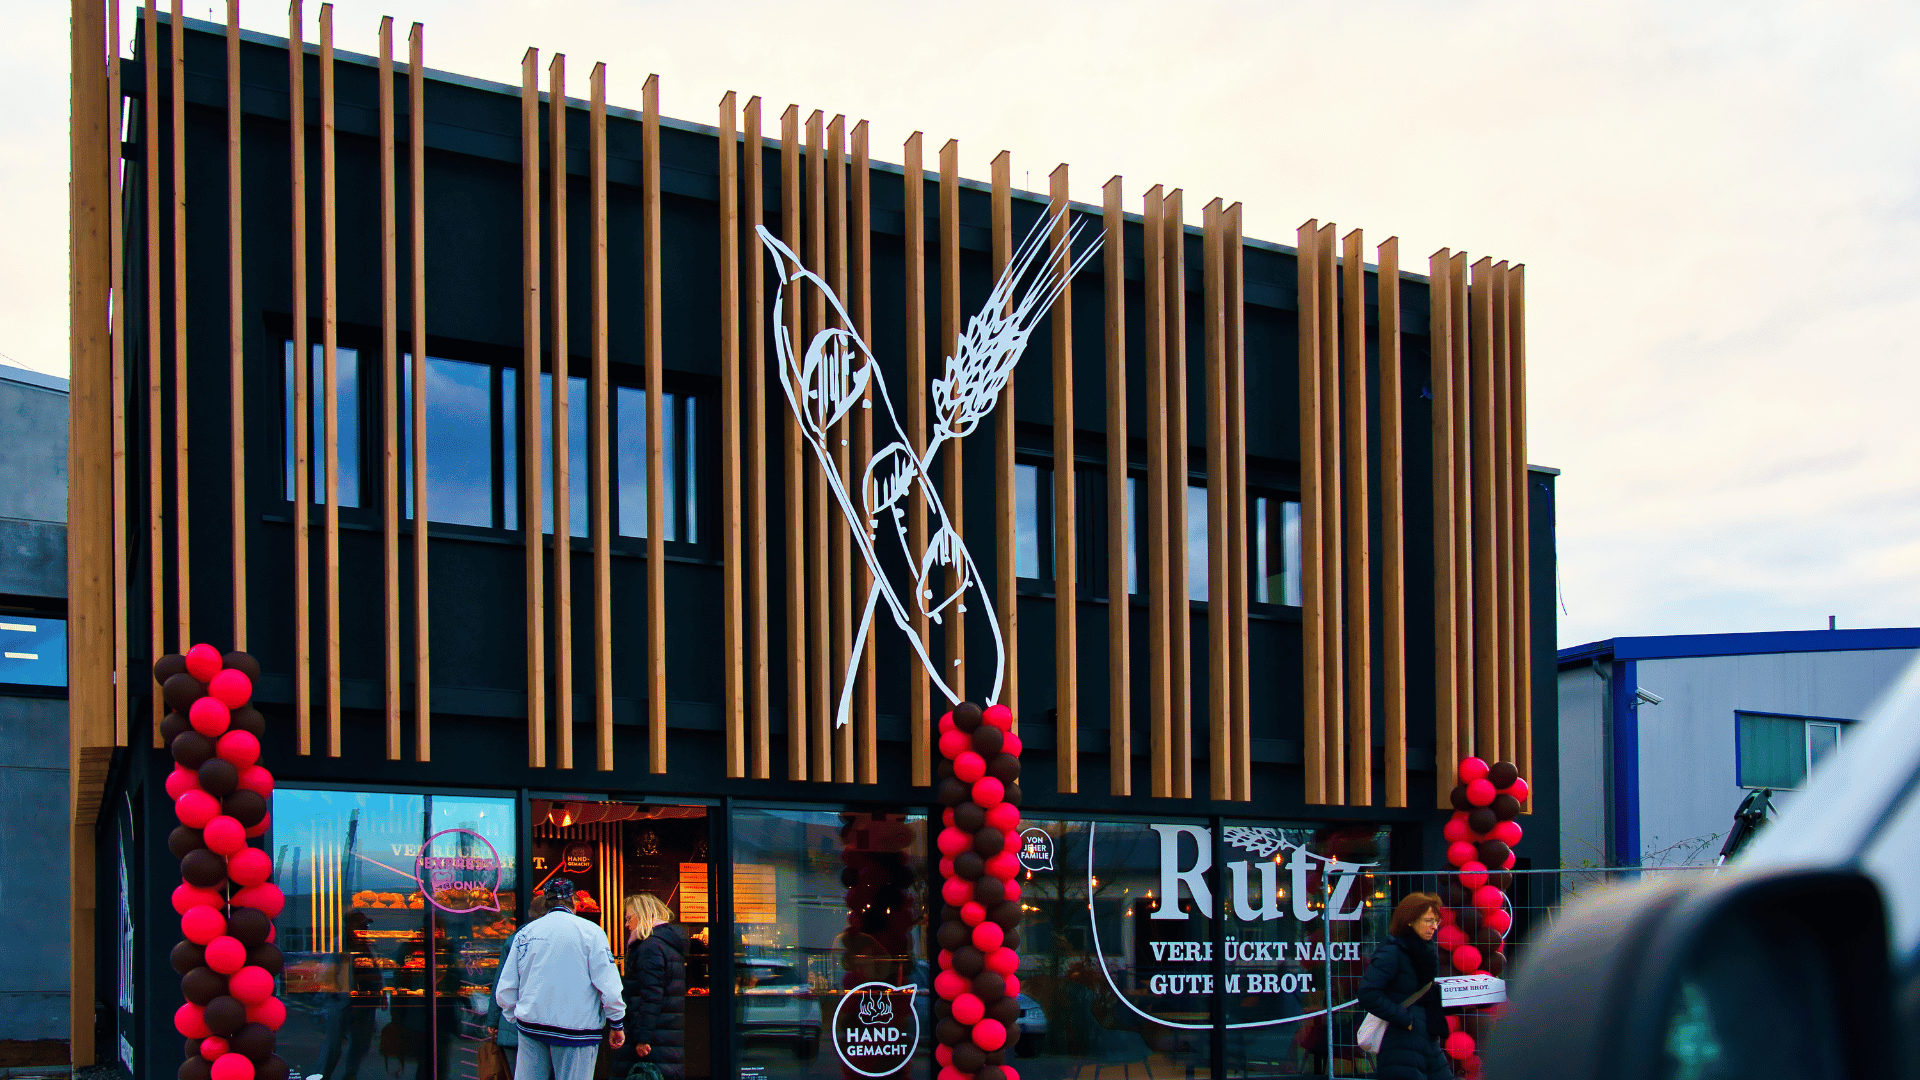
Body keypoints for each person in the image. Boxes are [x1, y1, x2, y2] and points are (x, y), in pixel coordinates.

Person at [496, 879, 627, 1080]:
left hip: (532, 1028)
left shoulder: (526, 933)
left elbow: (506, 988)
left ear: (545, 901)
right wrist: (616, 1022)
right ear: (574, 901)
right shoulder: (591, 932)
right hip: (577, 1032)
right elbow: (608, 986)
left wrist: (514, 1015)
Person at [1357, 892, 1451, 1080]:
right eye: (1428, 921)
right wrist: (1404, 1019)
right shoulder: (1392, 952)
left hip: (1428, 1037)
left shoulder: (1427, 950)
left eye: (1436, 921)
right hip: (1400, 1041)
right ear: (1410, 921)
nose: (1434, 927)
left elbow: (1426, 993)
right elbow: (1368, 993)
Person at [620, 894, 688, 1080]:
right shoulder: (666, 944)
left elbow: (651, 996)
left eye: (629, 918)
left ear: (643, 915)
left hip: (653, 1041)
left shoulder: (649, 947)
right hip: (665, 1038)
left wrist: (642, 1037)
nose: (627, 925)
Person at [487, 895, 551, 1074]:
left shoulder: (515, 939)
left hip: (513, 1025)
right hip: (541, 1026)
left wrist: (493, 1020)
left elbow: (501, 983)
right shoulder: (554, 941)